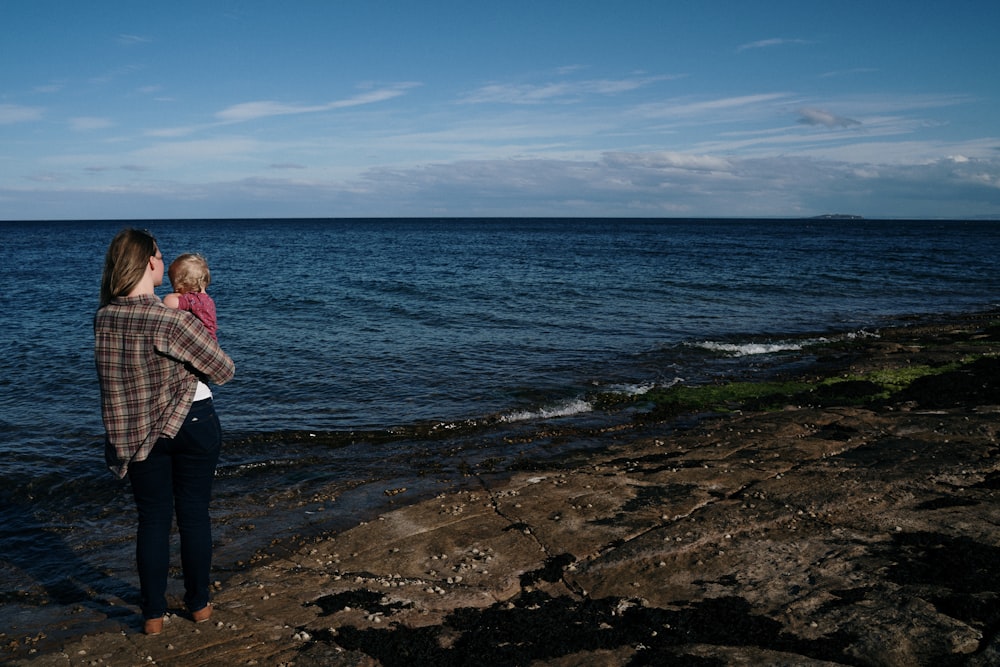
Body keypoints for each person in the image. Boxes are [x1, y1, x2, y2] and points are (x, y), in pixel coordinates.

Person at [94, 228, 236, 636]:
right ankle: (199, 606)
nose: (163, 260)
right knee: (193, 515)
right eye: (159, 255)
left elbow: (122, 379)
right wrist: (189, 362)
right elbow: (223, 369)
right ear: (150, 262)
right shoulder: (170, 319)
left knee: (152, 520)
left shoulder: (103, 317)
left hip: (137, 431)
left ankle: (153, 616)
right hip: (192, 421)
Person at [163, 253, 218, 340]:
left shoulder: (193, 299)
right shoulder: (207, 300)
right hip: (210, 343)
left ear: (183, 283)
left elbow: (168, 302)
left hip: (199, 343)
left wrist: (176, 295)